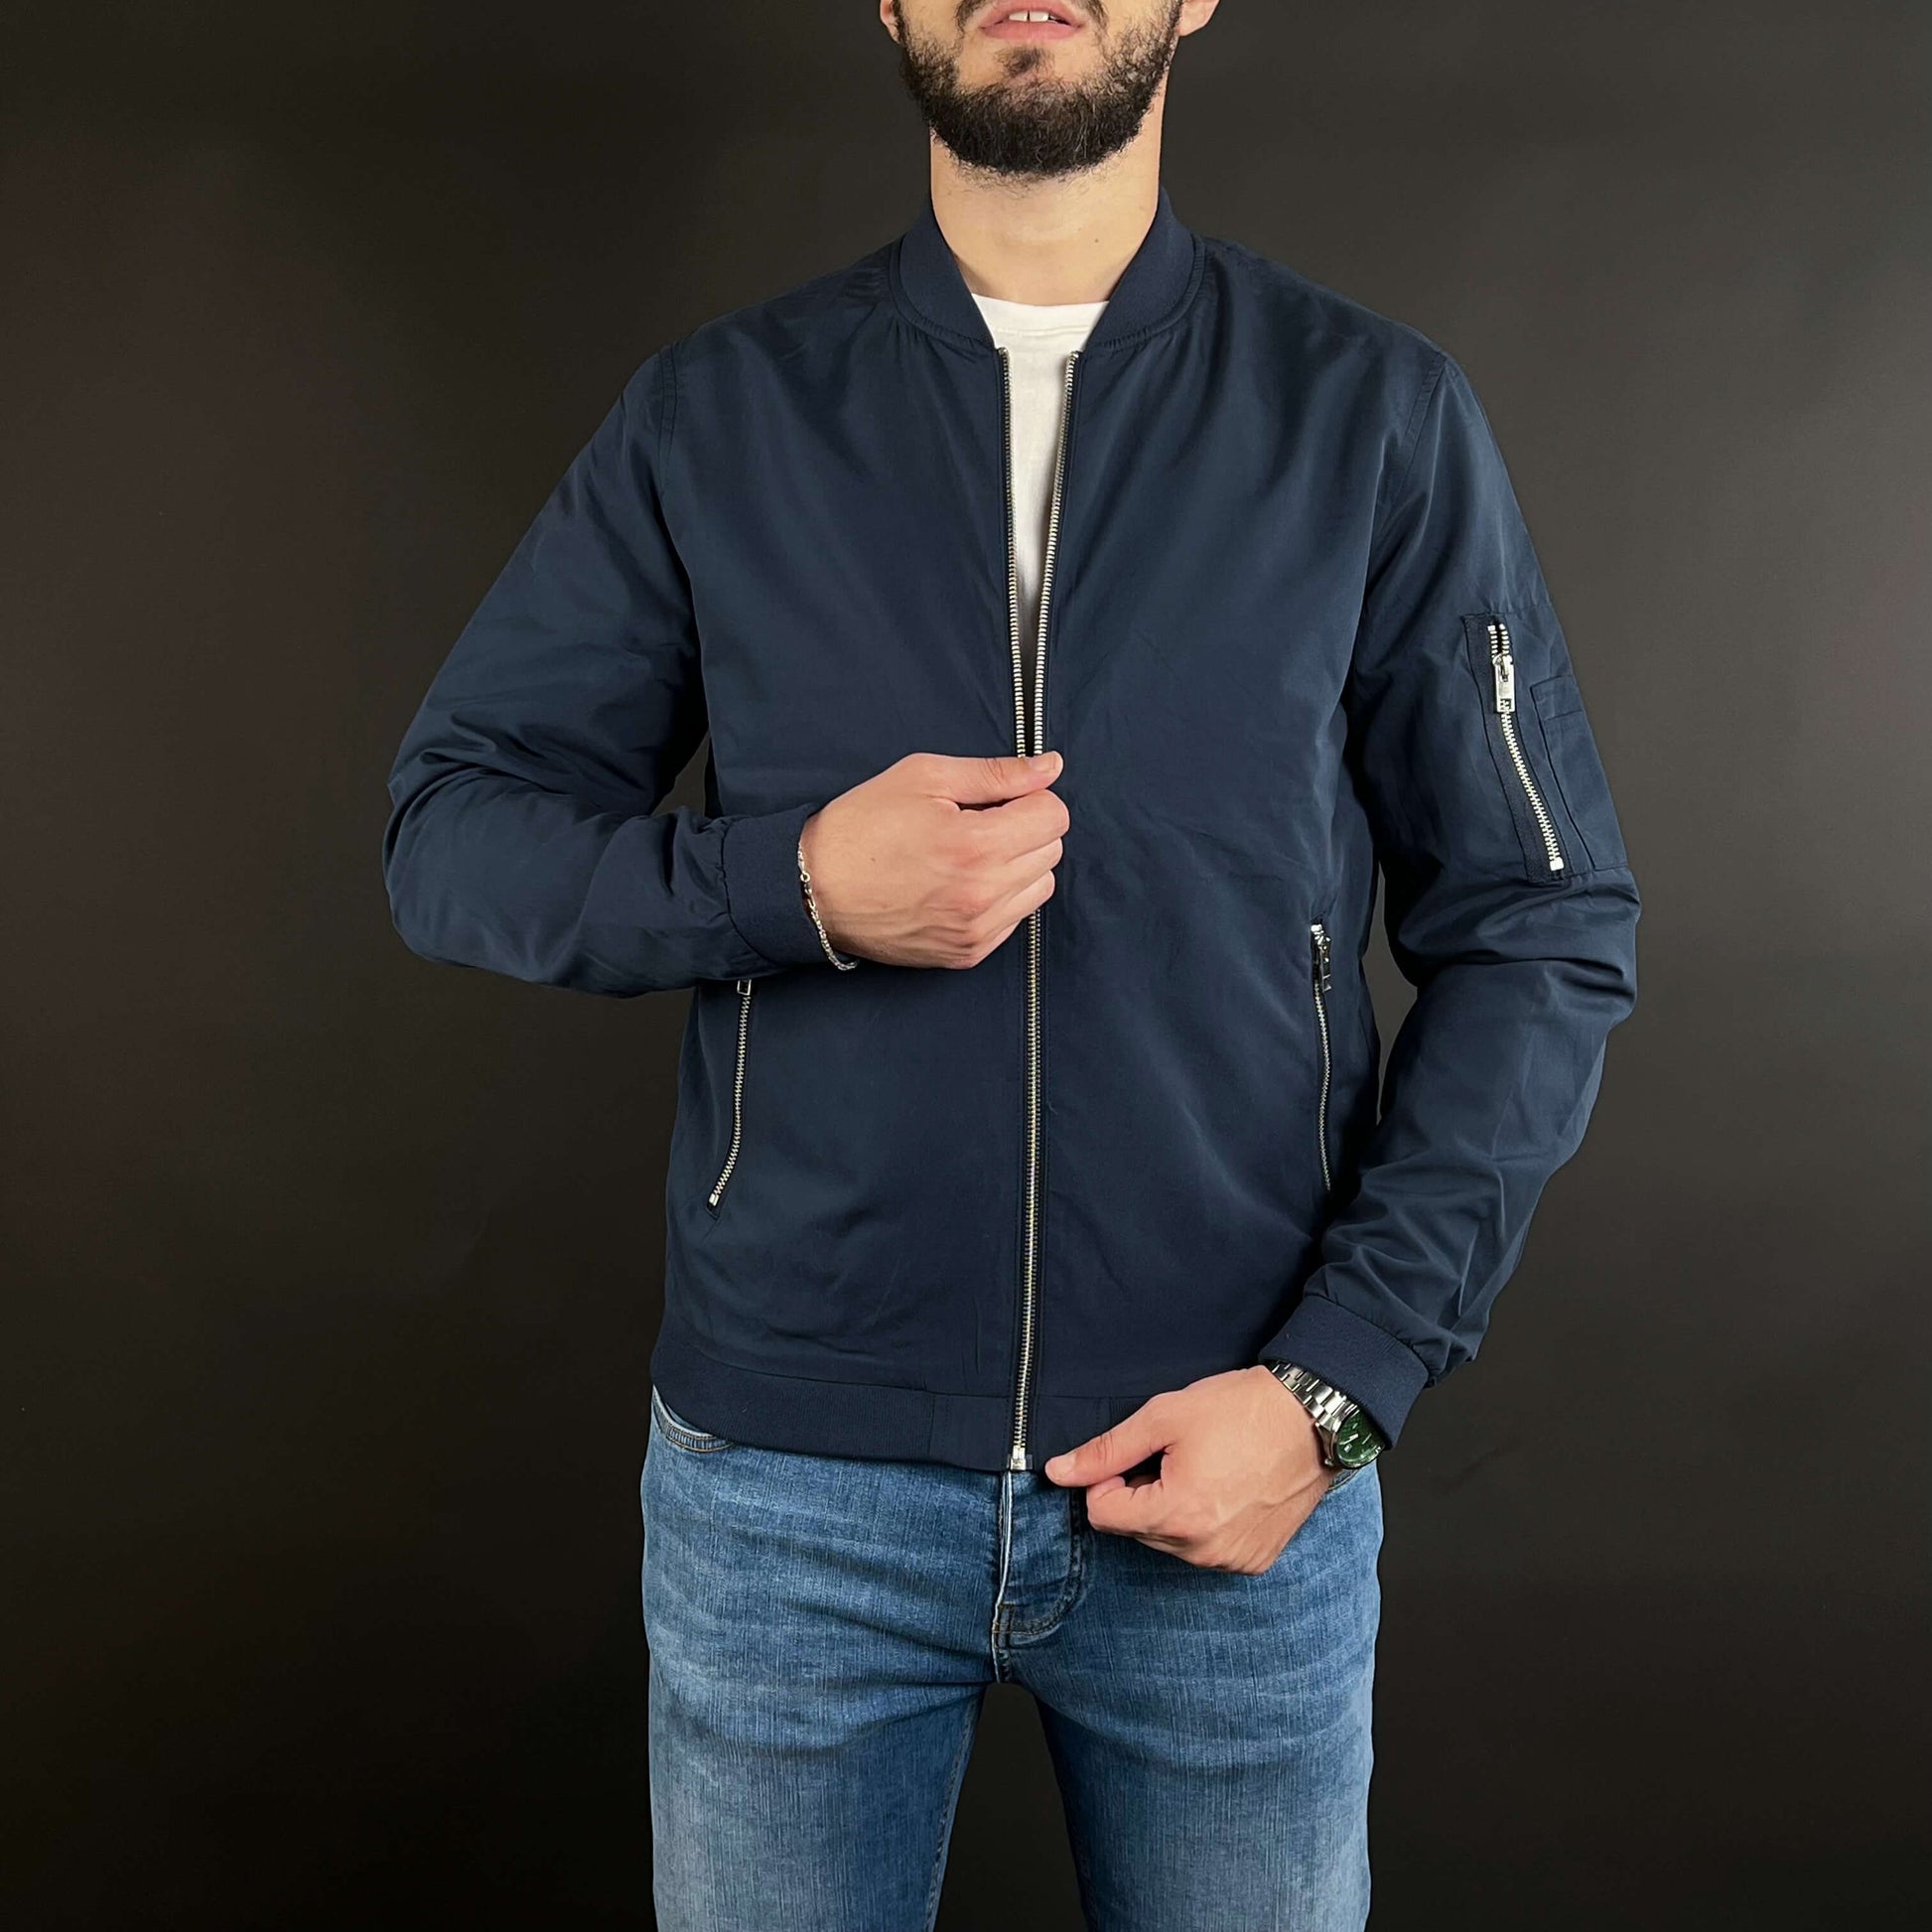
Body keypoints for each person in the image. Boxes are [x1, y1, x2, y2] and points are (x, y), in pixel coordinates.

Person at [380, 3, 1641, 1925]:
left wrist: (1338, 1385)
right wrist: (794, 881)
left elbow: (1540, 921)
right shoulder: (722, 413)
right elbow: (452, 832)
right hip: (788, 1491)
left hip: (1229, 1458)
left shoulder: (1365, 414)